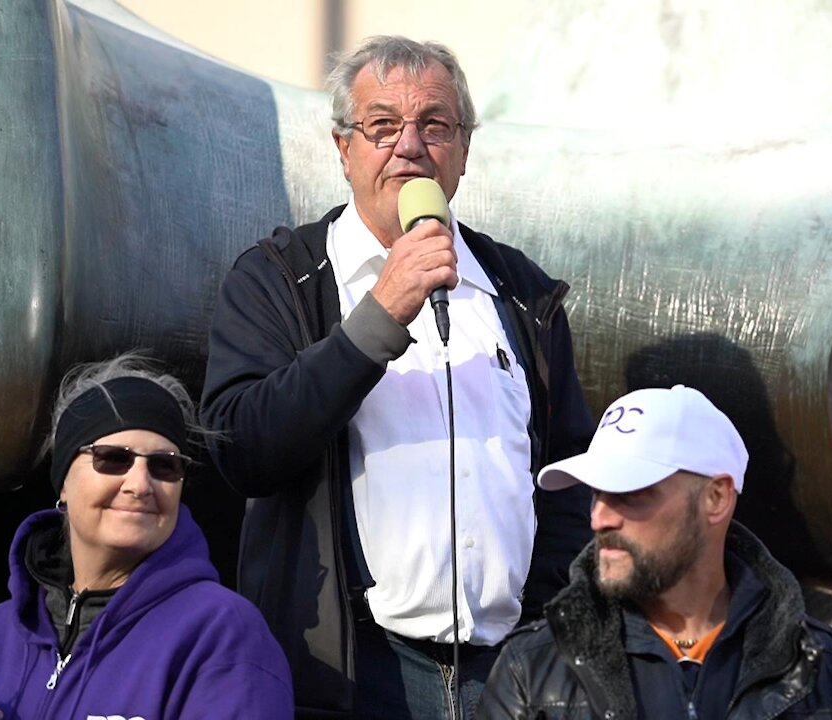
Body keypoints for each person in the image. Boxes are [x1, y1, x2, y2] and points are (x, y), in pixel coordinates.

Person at [200, 35, 594, 718]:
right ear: (343, 148)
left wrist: (548, 632)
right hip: (355, 676)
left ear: (463, 152)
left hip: (511, 674)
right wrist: (378, 317)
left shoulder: (520, 293)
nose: (408, 146)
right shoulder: (280, 279)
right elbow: (241, 447)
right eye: (382, 126)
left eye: (434, 125)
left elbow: (568, 478)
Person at [478, 385, 832, 718]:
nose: (600, 517)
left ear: (716, 498)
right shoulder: (531, 671)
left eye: (630, 493)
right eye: (596, 493)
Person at [0, 353, 292, 719]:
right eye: (112, 459)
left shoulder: (222, 636)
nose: (140, 484)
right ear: (63, 482)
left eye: (164, 465)